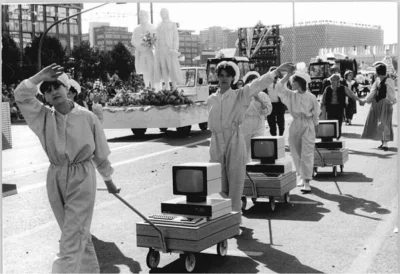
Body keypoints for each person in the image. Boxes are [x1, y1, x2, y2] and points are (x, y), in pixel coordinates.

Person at [13, 63, 119, 273]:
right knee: (77, 234)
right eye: (47, 90)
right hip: (55, 178)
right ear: (44, 97)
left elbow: (100, 154)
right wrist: (39, 76)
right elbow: (21, 95)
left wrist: (109, 181)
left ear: (67, 89)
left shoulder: (88, 117)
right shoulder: (42, 117)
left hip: (82, 178)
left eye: (56, 86)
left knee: (71, 238)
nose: (53, 92)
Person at [207, 57, 294, 218]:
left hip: (234, 138)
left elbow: (257, 84)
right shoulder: (211, 99)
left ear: (233, 78)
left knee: (235, 181)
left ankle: (234, 217)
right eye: (221, 75)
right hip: (216, 142)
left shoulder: (240, 95)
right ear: (217, 77)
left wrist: (276, 71)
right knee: (217, 180)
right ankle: (236, 205)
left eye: (228, 75)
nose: (224, 78)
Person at [275, 63, 320, 193]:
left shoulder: (311, 97)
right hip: (295, 125)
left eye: (293, 82)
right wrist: (287, 75)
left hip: (307, 125)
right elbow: (279, 87)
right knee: (295, 152)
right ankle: (301, 175)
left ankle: (307, 181)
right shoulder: (291, 95)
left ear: (300, 83)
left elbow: (316, 113)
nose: (292, 84)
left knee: (307, 153)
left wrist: (315, 127)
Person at [361, 63, 396, 151]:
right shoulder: (377, 80)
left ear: (378, 73)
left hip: (385, 103)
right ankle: (383, 142)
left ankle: (385, 143)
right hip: (377, 104)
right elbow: (373, 91)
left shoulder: (389, 80)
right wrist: (366, 100)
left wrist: (390, 102)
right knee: (379, 123)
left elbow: (391, 94)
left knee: (384, 123)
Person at [241, 71, 272, 163]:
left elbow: (268, 111)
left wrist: (260, 101)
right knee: (244, 150)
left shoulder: (263, 95)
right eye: (250, 82)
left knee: (258, 149)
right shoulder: (242, 94)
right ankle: (245, 171)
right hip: (245, 124)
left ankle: (256, 171)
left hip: (258, 124)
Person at [321, 73, 363, 139]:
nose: (332, 81)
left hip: (339, 108)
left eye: (334, 80)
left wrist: (360, 100)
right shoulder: (327, 89)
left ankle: (338, 138)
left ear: (338, 81)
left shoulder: (343, 88)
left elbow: (352, 95)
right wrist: (320, 109)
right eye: (331, 80)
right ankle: (330, 140)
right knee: (330, 124)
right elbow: (323, 100)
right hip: (330, 108)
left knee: (338, 123)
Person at [154, 8, 183, 90]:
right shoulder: (159, 26)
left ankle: (174, 86)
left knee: (171, 68)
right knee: (163, 67)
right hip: (160, 49)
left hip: (169, 49)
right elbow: (156, 37)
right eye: (161, 13)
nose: (162, 14)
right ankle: (166, 85)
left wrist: (175, 49)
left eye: (164, 12)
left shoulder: (172, 24)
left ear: (167, 13)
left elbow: (176, 38)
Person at [131, 10, 155, 88]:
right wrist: (138, 45)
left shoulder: (152, 27)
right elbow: (133, 40)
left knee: (151, 69)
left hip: (149, 51)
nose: (142, 17)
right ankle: (147, 86)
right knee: (144, 71)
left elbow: (155, 38)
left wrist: (149, 43)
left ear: (147, 16)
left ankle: (153, 86)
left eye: (144, 15)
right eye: (141, 15)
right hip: (141, 52)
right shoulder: (136, 29)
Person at [265, 66, 286, 136]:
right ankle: (274, 138)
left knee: (281, 123)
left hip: (279, 104)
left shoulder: (281, 82)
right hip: (270, 105)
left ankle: (281, 136)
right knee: (271, 124)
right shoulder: (267, 83)